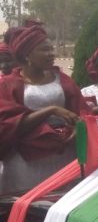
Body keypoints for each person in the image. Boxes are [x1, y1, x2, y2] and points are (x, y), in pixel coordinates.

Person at [0, 23, 89, 192]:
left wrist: (79, 128)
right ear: (27, 55)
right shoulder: (7, 85)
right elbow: (8, 125)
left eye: (51, 49)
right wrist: (51, 110)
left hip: (64, 157)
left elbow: (82, 111)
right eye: (45, 49)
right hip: (26, 162)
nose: (51, 54)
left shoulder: (62, 79)